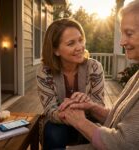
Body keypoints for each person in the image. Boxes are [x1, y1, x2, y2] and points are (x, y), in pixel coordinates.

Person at [59, 1, 139, 150]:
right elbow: (120, 119)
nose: (122, 41)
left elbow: (123, 144)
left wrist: (79, 121)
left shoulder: (94, 66)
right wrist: (92, 107)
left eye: (129, 33)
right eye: (122, 33)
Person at [36, 18, 105, 150]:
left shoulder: (94, 67)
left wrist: (87, 105)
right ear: (56, 50)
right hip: (59, 121)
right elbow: (50, 110)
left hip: (88, 119)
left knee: (94, 133)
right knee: (54, 133)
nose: (79, 47)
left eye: (80, 40)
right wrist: (67, 115)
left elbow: (99, 105)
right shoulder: (44, 71)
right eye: (71, 43)